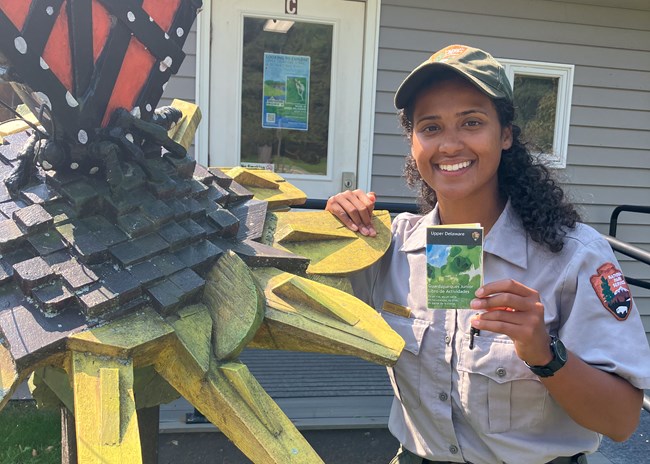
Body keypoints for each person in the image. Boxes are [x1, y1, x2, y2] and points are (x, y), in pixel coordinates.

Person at [326, 44, 650, 464]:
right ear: (412, 143)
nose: (450, 144)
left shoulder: (572, 256)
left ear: (506, 135)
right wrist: (331, 232)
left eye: (472, 122)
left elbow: (622, 421)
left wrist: (545, 354)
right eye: (430, 127)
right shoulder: (387, 247)